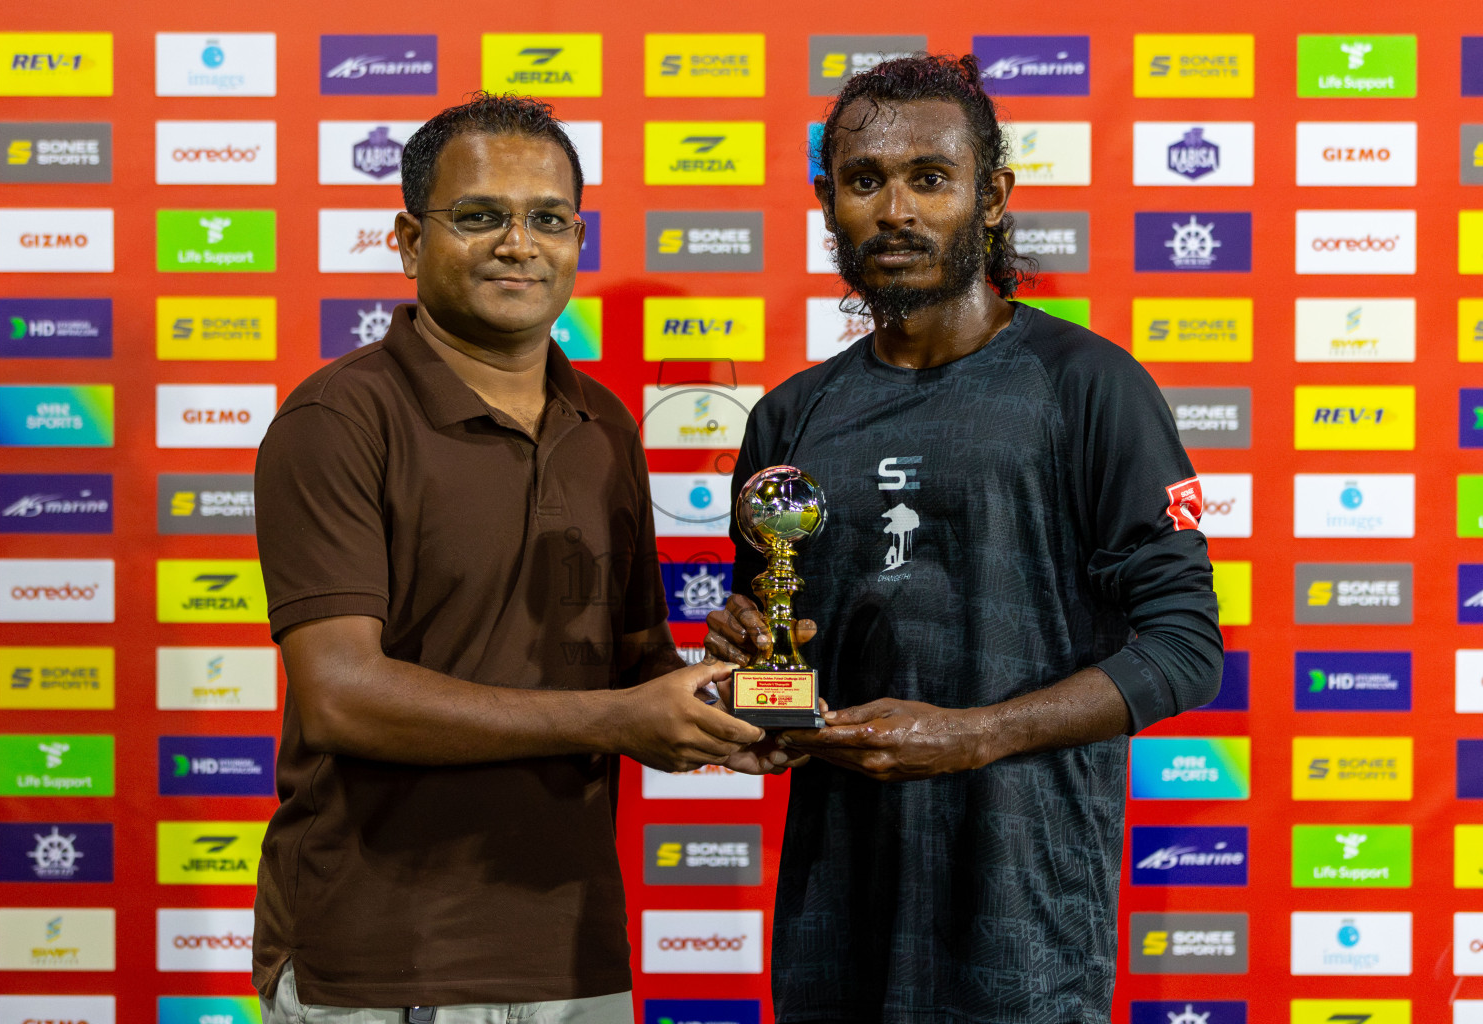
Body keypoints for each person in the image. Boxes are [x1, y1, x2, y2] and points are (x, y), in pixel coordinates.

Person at [704, 55, 1223, 1023]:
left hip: (1026, 934)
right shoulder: (788, 418)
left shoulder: (1090, 387)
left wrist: (972, 736)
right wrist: (750, 679)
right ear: (828, 203)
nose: (894, 208)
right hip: (835, 932)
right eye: (864, 181)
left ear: (992, 198)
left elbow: (1188, 648)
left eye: (929, 178)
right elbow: (778, 653)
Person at [252, 93, 763, 1024]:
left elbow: (635, 665)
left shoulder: (605, 423)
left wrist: (732, 698)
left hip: (574, 957)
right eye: (480, 216)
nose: (518, 244)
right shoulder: (338, 420)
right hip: (386, 961)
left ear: (577, 238)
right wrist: (619, 715)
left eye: (548, 219)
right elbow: (340, 694)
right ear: (410, 242)